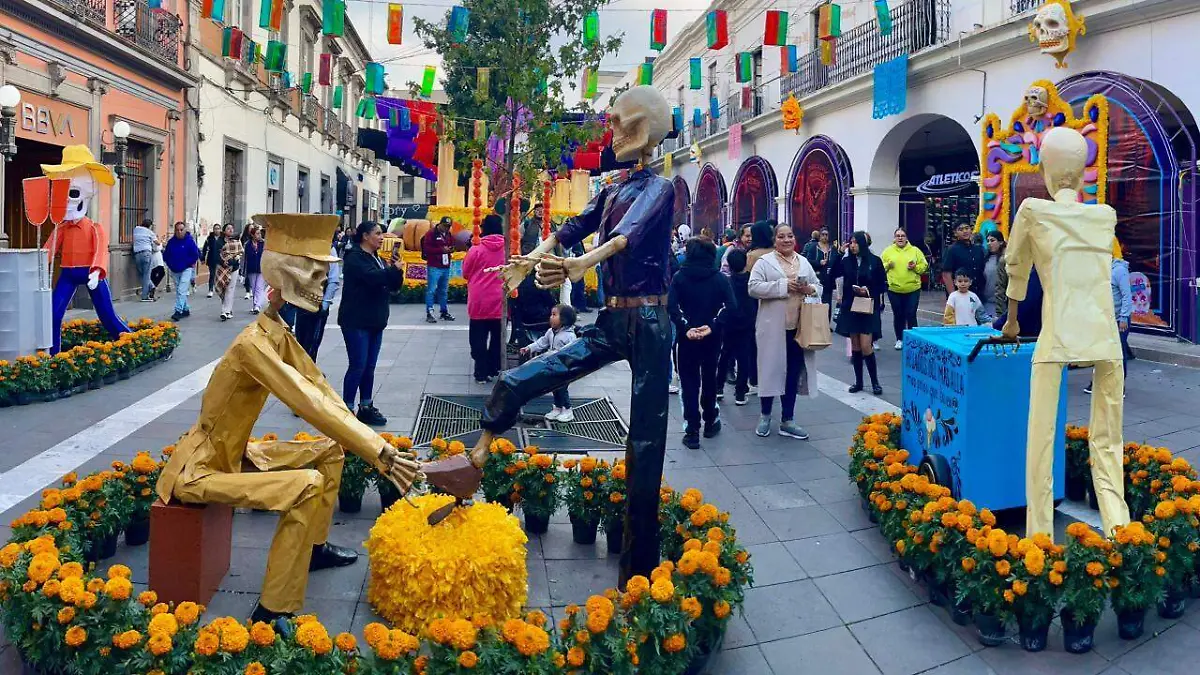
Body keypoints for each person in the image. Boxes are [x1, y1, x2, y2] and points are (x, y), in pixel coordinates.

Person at [156, 213, 422, 625]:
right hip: (200, 469)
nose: (322, 281)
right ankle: (271, 609)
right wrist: (379, 451)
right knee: (305, 486)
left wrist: (373, 445)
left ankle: (312, 549)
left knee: (331, 451)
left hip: (235, 455)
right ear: (286, 276)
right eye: (314, 271)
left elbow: (320, 389)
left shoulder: (275, 330)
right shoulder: (253, 346)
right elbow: (307, 402)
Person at [749, 224, 821, 439]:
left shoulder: (803, 262)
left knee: (793, 372)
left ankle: (788, 419)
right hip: (772, 327)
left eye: (790, 236)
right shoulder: (765, 262)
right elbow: (753, 287)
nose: (786, 240)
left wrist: (810, 289)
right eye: (781, 236)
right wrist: (782, 286)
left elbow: (818, 286)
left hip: (798, 328)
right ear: (775, 240)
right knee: (770, 370)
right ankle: (765, 415)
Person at [670, 237, 736, 447]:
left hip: (687, 339)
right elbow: (731, 306)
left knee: (688, 383)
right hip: (712, 338)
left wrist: (686, 327)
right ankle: (710, 421)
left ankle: (692, 431)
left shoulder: (679, 277)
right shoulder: (719, 279)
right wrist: (713, 325)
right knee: (709, 379)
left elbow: (672, 307)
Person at [339, 221, 405, 426]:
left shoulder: (376, 258)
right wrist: (390, 271)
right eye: (377, 233)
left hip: (375, 321)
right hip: (356, 321)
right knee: (358, 365)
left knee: (369, 367)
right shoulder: (354, 258)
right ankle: (346, 409)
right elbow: (372, 278)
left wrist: (396, 271)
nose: (381, 237)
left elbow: (391, 284)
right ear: (365, 236)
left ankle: (365, 406)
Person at [834, 231, 886, 395]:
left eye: (856, 242)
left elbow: (883, 284)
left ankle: (875, 382)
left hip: (868, 306)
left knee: (866, 345)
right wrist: (839, 253)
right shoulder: (846, 261)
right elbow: (833, 273)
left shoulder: (874, 261)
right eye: (851, 242)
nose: (853, 245)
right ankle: (858, 381)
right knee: (855, 345)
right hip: (851, 306)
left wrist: (868, 290)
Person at [1086, 241, 1133, 395]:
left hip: (1120, 320)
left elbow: (1127, 296)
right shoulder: (1103, 270)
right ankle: (1097, 382)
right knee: (1101, 351)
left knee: (1119, 353)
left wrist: (1124, 318)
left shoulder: (1119, 271)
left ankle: (1120, 386)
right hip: (1106, 318)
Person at [464, 214, 506, 383]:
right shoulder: (508, 249)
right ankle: (492, 368)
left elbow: (466, 272)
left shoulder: (476, 249)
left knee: (478, 338)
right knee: (497, 337)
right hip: (500, 298)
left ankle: (480, 372)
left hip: (479, 299)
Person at [520, 304, 579, 422]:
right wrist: (529, 348)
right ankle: (557, 408)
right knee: (555, 388)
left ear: (564, 319)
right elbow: (542, 342)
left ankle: (567, 410)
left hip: (564, 368)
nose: (551, 317)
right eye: (551, 314)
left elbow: (572, 353)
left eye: (554, 315)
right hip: (552, 366)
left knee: (562, 389)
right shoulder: (551, 332)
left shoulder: (569, 336)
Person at [293, 239, 342, 364]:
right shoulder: (302, 246)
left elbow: (333, 279)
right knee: (301, 341)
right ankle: (303, 373)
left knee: (313, 344)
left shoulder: (328, 248)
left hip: (318, 304)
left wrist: (324, 305)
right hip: (302, 302)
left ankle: (309, 372)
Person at [880, 227, 929, 350]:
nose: (900, 238)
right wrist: (888, 265)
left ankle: (914, 339)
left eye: (902, 235)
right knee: (898, 314)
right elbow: (879, 267)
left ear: (907, 238)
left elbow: (924, 266)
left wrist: (915, 267)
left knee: (911, 314)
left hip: (912, 288)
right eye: (898, 236)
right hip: (894, 289)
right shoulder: (888, 251)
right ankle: (900, 339)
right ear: (894, 238)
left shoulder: (915, 251)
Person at [725, 249, 757, 406]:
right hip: (747, 322)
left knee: (725, 354)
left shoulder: (727, 281)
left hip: (730, 321)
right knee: (744, 358)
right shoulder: (751, 279)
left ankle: (718, 388)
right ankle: (740, 393)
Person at [164, 221, 200, 321]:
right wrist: (170, 264)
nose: (179, 232)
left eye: (181, 229)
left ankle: (178, 311)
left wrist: (188, 263)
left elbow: (195, 254)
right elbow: (166, 255)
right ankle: (185, 309)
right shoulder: (171, 242)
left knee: (182, 289)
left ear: (185, 230)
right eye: (177, 230)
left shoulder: (189, 241)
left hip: (186, 268)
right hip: (174, 269)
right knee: (179, 291)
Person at [422, 216, 455, 323]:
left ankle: (444, 311)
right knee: (431, 290)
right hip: (434, 266)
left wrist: (450, 249)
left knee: (443, 291)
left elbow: (452, 244)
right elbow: (427, 248)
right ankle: (429, 312)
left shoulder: (449, 234)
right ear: (440, 224)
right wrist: (441, 250)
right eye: (445, 226)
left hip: (445, 265)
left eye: (448, 227)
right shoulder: (431, 233)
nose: (446, 228)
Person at [941, 222, 986, 296]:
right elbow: (946, 274)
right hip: (960, 294)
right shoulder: (951, 250)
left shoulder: (978, 249)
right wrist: (953, 296)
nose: (965, 231)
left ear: (971, 230)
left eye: (967, 228)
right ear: (955, 233)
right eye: (961, 229)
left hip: (978, 294)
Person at [803, 228, 840, 316]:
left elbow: (837, 262)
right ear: (819, 236)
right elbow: (808, 261)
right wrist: (818, 263)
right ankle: (816, 324)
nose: (824, 237)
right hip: (816, 279)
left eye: (826, 235)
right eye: (823, 234)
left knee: (827, 304)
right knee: (816, 303)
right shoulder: (813, 247)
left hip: (829, 281)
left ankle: (826, 324)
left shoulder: (833, 248)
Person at [216, 224, 243, 321]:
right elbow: (217, 254)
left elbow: (240, 252)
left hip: (234, 267)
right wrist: (225, 261)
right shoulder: (220, 241)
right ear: (224, 231)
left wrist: (234, 260)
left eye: (232, 228)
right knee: (222, 288)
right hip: (222, 268)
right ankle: (227, 309)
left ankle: (225, 311)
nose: (231, 230)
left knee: (230, 288)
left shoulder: (237, 241)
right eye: (228, 228)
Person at [983, 230, 1008, 315]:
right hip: (987, 303)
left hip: (1003, 303)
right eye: (988, 241)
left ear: (1001, 242)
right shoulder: (986, 258)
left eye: (992, 240)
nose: (989, 243)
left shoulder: (1006, 259)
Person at [244, 225, 267, 314]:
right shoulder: (247, 244)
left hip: (262, 268)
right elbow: (245, 258)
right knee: (253, 288)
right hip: (251, 268)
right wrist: (243, 270)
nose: (259, 235)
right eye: (257, 234)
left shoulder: (263, 244)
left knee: (259, 288)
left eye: (260, 234)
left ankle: (257, 306)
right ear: (253, 235)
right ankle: (255, 305)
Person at [132, 219, 156, 302]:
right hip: (146, 253)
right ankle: (144, 296)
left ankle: (151, 286)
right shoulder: (150, 232)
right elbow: (158, 243)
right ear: (150, 226)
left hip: (137, 254)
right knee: (146, 274)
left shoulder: (136, 229)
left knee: (142, 274)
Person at [201, 224, 224, 298]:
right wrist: (202, 258)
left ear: (220, 230)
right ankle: (210, 290)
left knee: (220, 276)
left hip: (221, 260)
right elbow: (205, 249)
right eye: (215, 229)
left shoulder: (223, 238)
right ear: (213, 230)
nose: (216, 230)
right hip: (212, 259)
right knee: (212, 275)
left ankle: (220, 289)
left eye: (218, 228)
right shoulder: (209, 238)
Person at [148, 236, 166, 300]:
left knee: (155, 274)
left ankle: (152, 289)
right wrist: (161, 243)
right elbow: (156, 248)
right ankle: (152, 288)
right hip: (156, 261)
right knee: (159, 273)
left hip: (157, 260)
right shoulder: (153, 241)